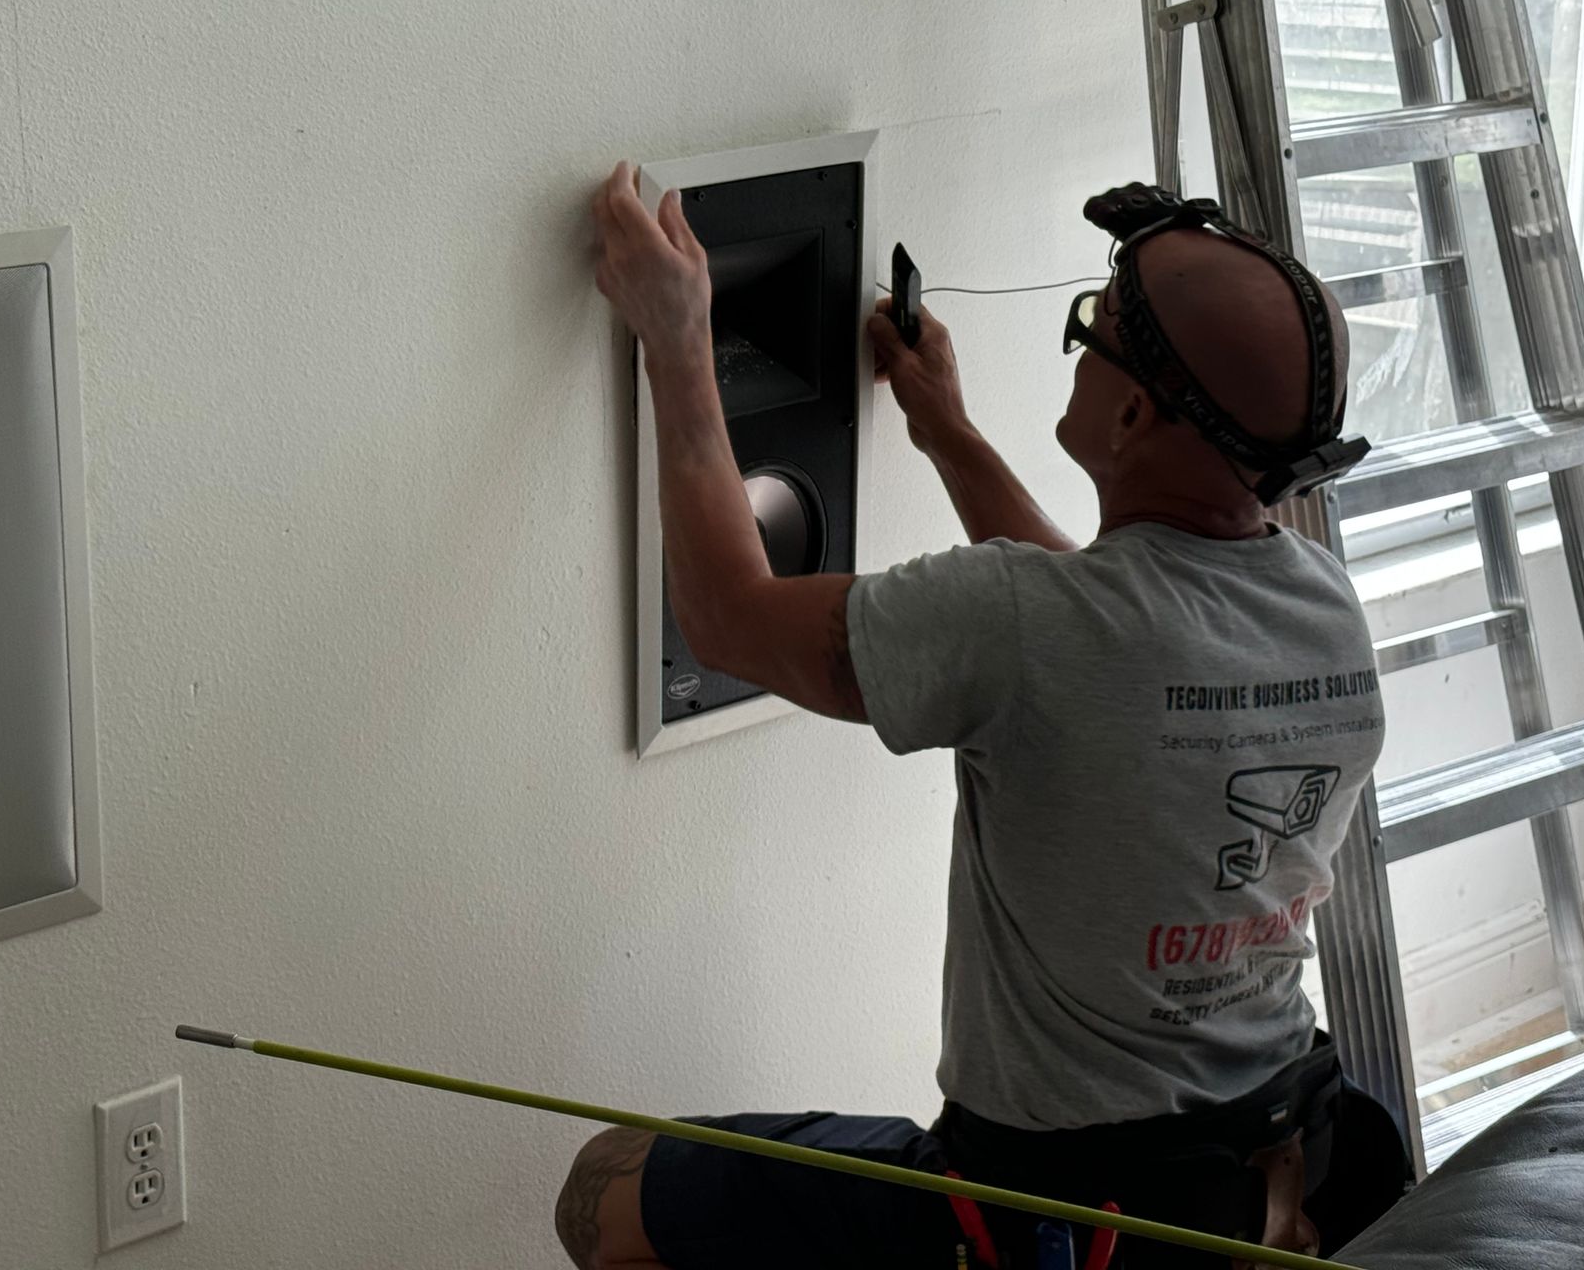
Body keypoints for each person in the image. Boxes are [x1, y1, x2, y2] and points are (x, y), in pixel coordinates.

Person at [557, 167, 1409, 1269]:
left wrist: (677, 337)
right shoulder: (1321, 608)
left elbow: (726, 619)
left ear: (1137, 410)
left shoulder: (1027, 627)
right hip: (1275, 1172)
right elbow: (1110, 638)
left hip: (1052, 1213)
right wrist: (944, 431)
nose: (1083, 346)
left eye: (1092, 333)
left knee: (604, 1191)